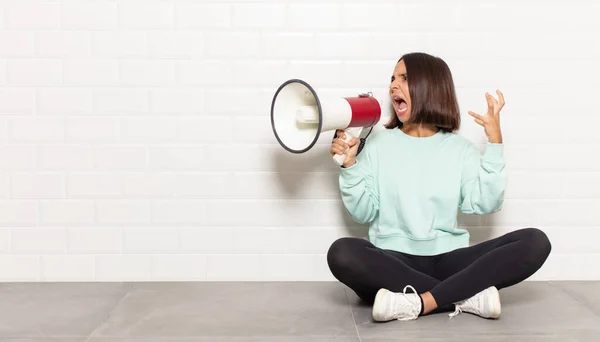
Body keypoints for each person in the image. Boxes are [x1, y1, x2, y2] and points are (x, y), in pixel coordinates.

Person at [327, 52, 551, 322]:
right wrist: (350, 166)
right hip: (393, 261)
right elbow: (363, 213)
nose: (392, 86)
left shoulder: (460, 150)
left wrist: (494, 145)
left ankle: (418, 301)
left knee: (535, 241)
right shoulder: (376, 146)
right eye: (392, 79)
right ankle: (463, 295)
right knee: (341, 252)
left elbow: (486, 204)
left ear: (430, 87)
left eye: (404, 78)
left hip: (450, 260)